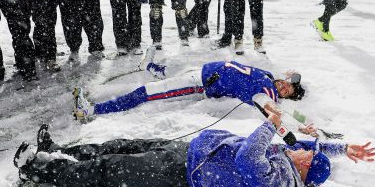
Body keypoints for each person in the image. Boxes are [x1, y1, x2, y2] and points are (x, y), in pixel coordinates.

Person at [13, 117, 375, 187]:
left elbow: (250, 157)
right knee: (120, 144)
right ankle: (57, 149)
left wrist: (269, 125)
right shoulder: (294, 162)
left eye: (306, 153)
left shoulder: (278, 182)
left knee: (110, 169)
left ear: (303, 168)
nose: (303, 147)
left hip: (183, 175)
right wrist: (342, 149)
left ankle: (37, 167)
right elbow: (313, 149)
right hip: (191, 151)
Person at [73, 55, 312, 132]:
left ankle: (91, 110)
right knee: (174, 68)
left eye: (287, 91)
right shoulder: (270, 76)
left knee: (146, 93)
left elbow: (273, 108)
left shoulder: (267, 92)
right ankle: (153, 68)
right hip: (204, 70)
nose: (284, 86)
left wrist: (303, 124)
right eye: (287, 83)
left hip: (199, 83)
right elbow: (289, 75)